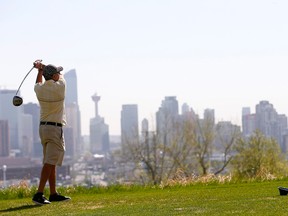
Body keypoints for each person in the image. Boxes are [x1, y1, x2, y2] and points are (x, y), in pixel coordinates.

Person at [32, 60, 71, 205]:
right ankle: (39, 193)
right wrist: (43, 68)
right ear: (54, 76)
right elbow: (60, 78)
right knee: (49, 162)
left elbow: (38, 83)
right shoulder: (60, 87)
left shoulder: (39, 90)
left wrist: (40, 70)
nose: (60, 74)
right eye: (57, 73)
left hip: (43, 129)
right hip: (55, 129)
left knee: (51, 161)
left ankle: (53, 193)